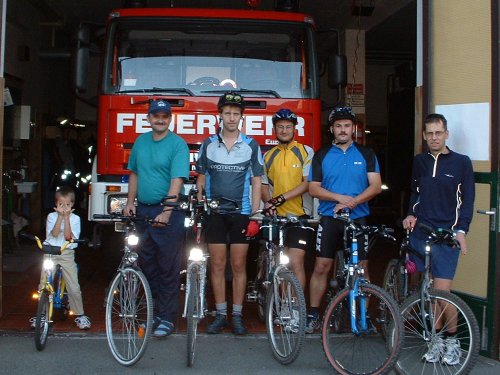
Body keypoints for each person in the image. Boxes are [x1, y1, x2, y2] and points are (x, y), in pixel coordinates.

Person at [402, 113, 474, 365]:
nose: (434, 137)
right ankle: (436, 340)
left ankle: (452, 342)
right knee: (429, 291)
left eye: (438, 132)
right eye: (429, 133)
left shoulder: (461, 162)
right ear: (424, 135)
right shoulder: (419, 161)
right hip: (422, 231)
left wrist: (461, 231)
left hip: (446, 234)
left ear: (446, 134)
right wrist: (410, 213)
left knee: (443, 292)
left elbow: (467, 202)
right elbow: (415, 192)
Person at [306, 106, 382, 333]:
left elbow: (376, 186)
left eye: (346, 125)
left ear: (353, 128)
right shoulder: (322, 155)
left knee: (362, 269)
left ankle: (363, 317)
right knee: (321, 266)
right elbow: (313, 189)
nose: (342, 129)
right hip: (330, 218)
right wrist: (341, 198)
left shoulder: (366, 154)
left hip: (358, 219)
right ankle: (313, 314)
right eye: (338, 126)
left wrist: (353, 202)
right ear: (331, 129)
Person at [196, 92, 264, 335]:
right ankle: (220, 314)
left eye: (236, 113)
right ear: (220, 115)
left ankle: (236, 315)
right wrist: (200, 201)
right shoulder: (208, 144)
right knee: (216, 264)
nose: (232, 117)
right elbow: (202, 177)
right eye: (227, 113)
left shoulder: (251, 145)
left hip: (241, 213)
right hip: (215, 214)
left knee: (237, 265)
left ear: (241, 117)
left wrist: (255, 215)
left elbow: (257, 182)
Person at [123, 99, 190, 338]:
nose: (160, 119)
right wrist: (130, 202)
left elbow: (177, 181)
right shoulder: (141, 142)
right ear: (149, 118)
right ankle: (154, 313)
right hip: (144, 212)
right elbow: (135, 173)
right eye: (155, 115)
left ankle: (167, 318)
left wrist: (167, 210)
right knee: (147, 265)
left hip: (168, 213)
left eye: (164, 116)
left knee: (168, 268)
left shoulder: (178, 145)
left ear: (170, 119)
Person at [261, 108, 315, 289]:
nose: (284, 131)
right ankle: (285, 308)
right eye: (280, 127)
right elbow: (263, 184)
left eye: (288, 127)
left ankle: (297, 308)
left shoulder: (306, 151)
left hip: (299, 216)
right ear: (274, 130)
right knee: (280, 263)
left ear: (294, 129)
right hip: (277, 218)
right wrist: (269, 202)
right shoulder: (268, 155)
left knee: (296, 261)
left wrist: (280, 198)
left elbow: (307, 184)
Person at [29, 186, 91, 330]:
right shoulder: (51, 217)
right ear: (55, 204)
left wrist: (67, 218)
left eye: (67, 205)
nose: (64, 207)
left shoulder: (75, 219)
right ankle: (42, 314)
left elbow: (69, 237)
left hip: (66, 253)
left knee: (73, 286)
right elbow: (55, 234)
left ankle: (80, 315)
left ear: (72, 205)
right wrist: (60, 218)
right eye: (61, 204)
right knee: (43, 283)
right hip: (50, 252)